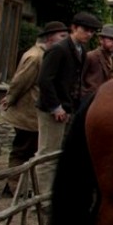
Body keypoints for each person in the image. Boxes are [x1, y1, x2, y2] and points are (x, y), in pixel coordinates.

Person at [0, 21, 68, 197]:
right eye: (62, 36)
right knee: (22, 150)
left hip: (33, 112)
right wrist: (10, 98)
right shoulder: (36, 56)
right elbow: (21, 80)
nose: (64, 39)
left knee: (29, 150)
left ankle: (16, 185)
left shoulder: (45, 54)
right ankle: (15, 187)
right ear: (50, 37)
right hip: (27, 112)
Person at [36, 12, 102, 196]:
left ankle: (52, 192)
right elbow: (44, 80)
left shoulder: (79, 50)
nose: (89, 34)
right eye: (85, 30)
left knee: (59, 153)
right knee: (47, 155)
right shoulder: (59, 49)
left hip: (68, 107)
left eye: (92, 31)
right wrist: (55, 106)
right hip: (52, 108)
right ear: (73, 28)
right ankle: (42, 198)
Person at [81, 24, 113, 98]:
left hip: (110, 98)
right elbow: (79, 79)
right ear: (100, 39)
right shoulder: (91, 56)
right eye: (111, 39)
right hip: (93, 99)